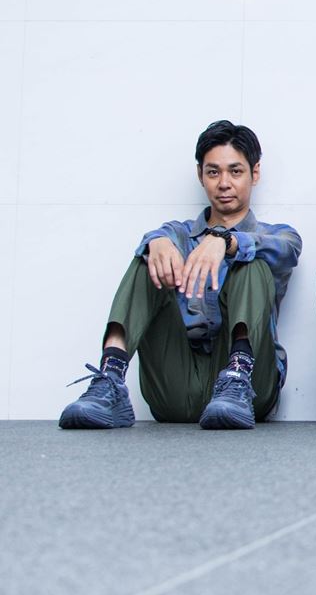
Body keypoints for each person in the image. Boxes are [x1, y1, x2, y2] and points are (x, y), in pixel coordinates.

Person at [59, 121, 302, 430]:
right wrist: (156, 242)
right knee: (149, 256)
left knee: (252, 262)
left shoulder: (278, 234)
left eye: (235, 171)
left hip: (251, 392)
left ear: (255, 173)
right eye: (213, 172)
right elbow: (157, 240)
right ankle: (110, 378)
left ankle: (237, 375)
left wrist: (226, 242)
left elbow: (287, 250)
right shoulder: (177, 234)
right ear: (200, 175)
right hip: (176, 387)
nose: (224, 183)